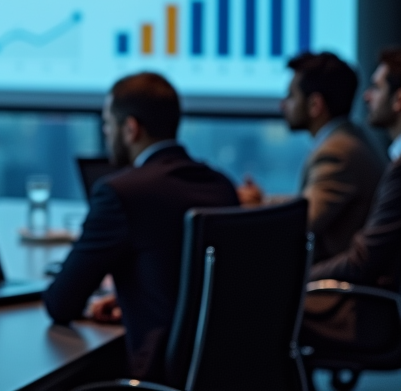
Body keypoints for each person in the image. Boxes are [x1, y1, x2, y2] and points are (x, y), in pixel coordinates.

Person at [43, 72, 239, 381]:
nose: (106, 133)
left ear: (131, 128)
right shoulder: (221, 185)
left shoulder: (121, 192)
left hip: (159, 371)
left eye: (108, 124)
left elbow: (61, 303)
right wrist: (128, 300)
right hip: (225, 368)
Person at [238, 52, 386, 263]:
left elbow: (302, 220)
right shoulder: (349, 138)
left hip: (332, 285)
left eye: (291, 96)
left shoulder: (337, 152)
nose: (283, 105)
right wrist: (263, 201)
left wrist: (253, 213)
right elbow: (310, 201)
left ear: (315, 105)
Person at [302, 47, 401, 353]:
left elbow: (362, 261)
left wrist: (297, 277)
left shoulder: (396, 169)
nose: (367, 97)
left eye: (377, 87)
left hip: (369, 310)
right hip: (370, 300)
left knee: (251, 304)